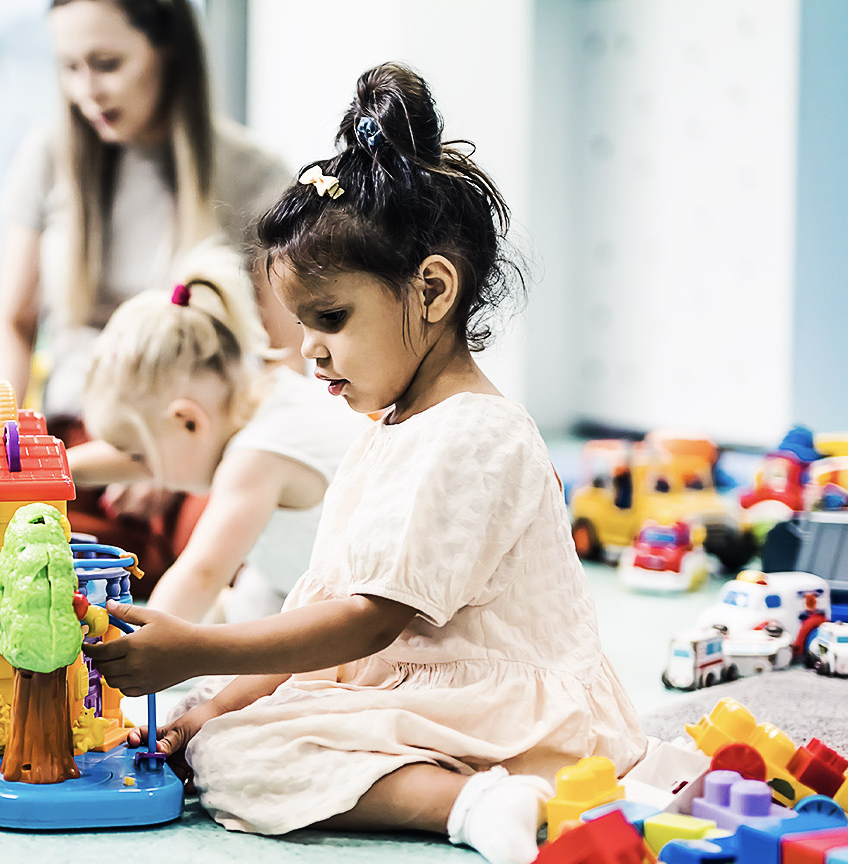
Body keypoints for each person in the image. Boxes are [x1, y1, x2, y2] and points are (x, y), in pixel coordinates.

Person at [83, 63, 646, 864]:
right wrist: (214, 703)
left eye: (332, 319)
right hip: (405, 682)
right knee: (224, 743)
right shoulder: (388, 427)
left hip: (497, 704)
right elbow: (327, 604)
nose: (311, 351)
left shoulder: (479, 435)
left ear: (434, 290)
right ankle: (459, 784)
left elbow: (370, 619)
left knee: (249, 763)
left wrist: (198, 651)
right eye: (302, 325)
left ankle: (480, 799)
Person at [0, 0, 295, 582]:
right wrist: (0, 440)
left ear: (168, 50)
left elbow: (285, 360)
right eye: (69, 67)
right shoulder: (46, 157)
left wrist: (168, 457)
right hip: (79, 435)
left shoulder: (254, 174)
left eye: (105, 63)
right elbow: (14, 324)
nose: (86, 90)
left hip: (202, 445)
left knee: (254, 552)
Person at [78, 243, 368, 622]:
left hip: (352, 606)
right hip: (289, 582)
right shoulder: (266, 394)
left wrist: (134, 653)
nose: (141, 469)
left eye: (140, 456)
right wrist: (58, 467)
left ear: (188, 421)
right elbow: (137, 456)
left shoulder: (257, 457)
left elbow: (200, 575)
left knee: (227, 632)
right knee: (247, 599)